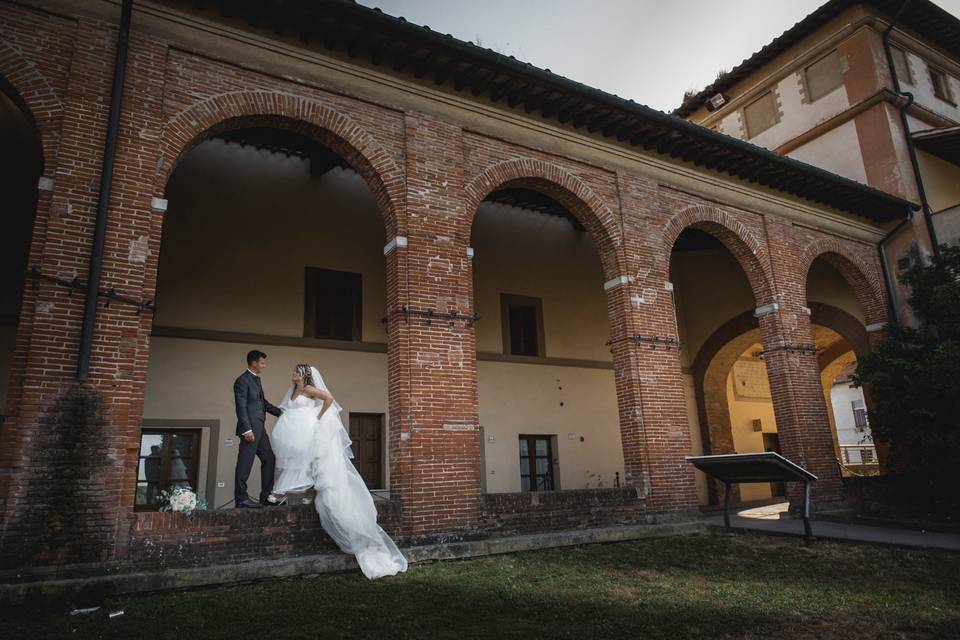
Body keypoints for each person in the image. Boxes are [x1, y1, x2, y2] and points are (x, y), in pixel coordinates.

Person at [270, 364, 407, 580]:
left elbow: (329, 399)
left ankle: (303, 492)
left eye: (297, 371)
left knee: (316, 463)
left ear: (305, 375)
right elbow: (288, 409)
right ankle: (301, 491)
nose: (293, 373)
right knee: (302, 462)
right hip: (298, 433)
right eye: (294, 371)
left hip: (311, 429)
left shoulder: (308, 390)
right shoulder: (293, 391)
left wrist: (319, 417)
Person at [233, 350, 284, 509]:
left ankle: (266, 497)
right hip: (249, 429)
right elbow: (240, 406)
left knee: (269, 459)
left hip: (260, 429)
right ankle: (241, 499)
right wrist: (247, 429)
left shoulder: (256, 380)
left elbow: (263, 403)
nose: (264, 365)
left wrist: (283, 413)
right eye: (262, 362)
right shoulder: (242, 380)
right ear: (254, 363)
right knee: (245, 463)